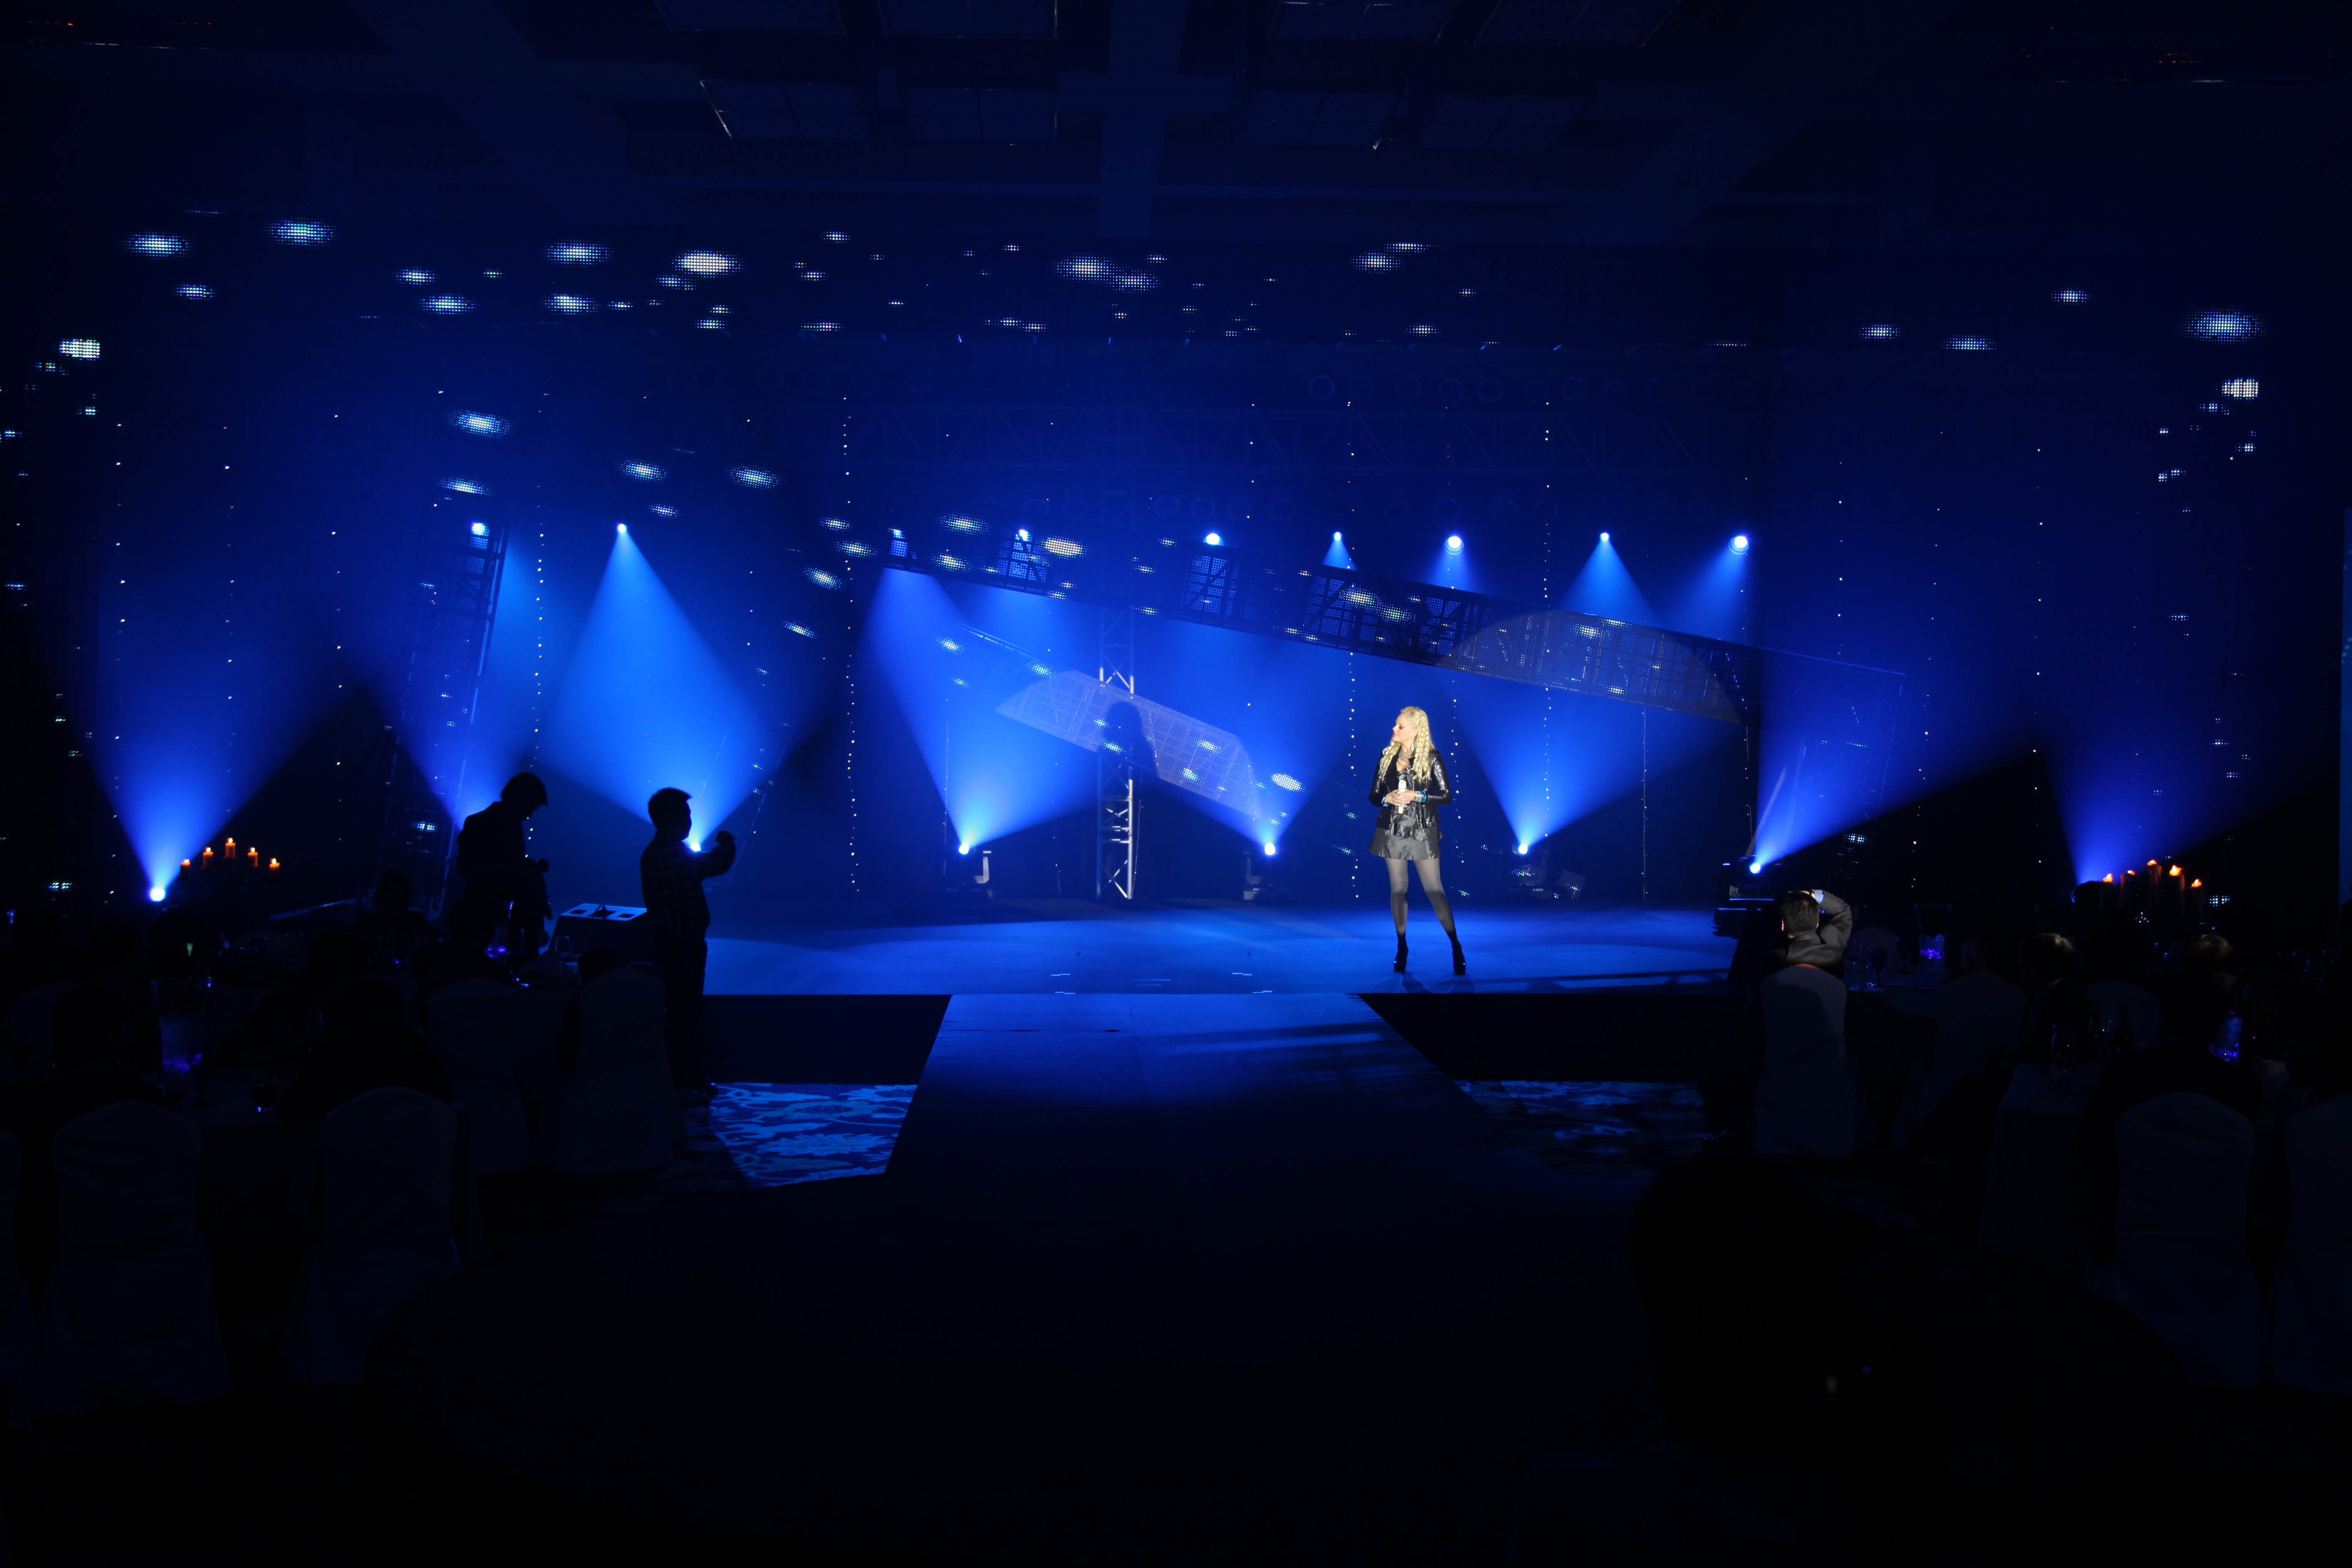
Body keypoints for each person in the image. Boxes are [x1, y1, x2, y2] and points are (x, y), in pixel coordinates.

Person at [640, 788, 736, 1104]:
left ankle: (693, 1079)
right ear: (668, 818)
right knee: (683, 1015)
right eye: (684, 814)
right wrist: (727, 844)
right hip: (681, 946)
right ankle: (681, 1085)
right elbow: (711, 866)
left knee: (684, 1014)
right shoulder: (671, 853)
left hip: (674, 944)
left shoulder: (659, 851)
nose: (689, 821)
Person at [1366, 706, 1464, 975]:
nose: (1394, 729)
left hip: (1422, 828)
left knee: (1434, 889)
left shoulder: (1432, 758)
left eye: (1400, 726)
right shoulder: (1387, 756)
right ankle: (1402, 946)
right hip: (1392, 828)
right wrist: (1387, 798)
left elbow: (1447, 795)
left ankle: (1456, 945)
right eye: (1395, 724)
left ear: (1415, 730)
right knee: (1398, 888)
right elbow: (1374, 795)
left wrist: (1417, 796)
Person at [455, 772, 551, 965]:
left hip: (509, 912)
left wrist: (528, 868)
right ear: (519, 799)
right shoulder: (478, 824)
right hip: (482, 915)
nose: (529, 815)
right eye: (529, 808)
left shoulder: (513, 825)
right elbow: (467, 868)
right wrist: (516, 870)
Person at [1777, 888, 1853, 973]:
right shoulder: (1835, 944)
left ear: (1783, 925)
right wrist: (1812, 895)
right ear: (1817, 923)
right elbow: (1843, 910)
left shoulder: (1774, 960)